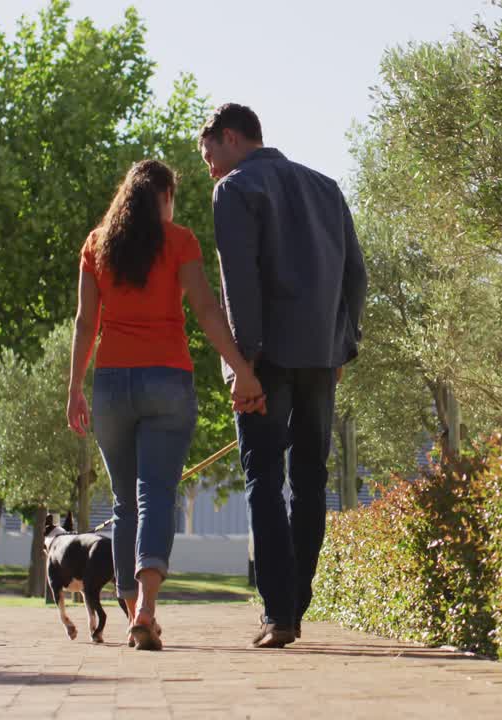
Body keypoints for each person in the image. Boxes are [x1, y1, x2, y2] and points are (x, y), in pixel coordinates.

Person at [66, 158, 266, 651]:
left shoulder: (97, 244)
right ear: (165, 198)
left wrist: (74, 388)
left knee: (124, 500)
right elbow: (205, 309)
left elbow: (84, 323)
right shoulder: (180, 242)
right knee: (156, 493)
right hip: (168, 380)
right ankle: (148, 611)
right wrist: (242, 368)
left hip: (111, 383)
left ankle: (136, 612)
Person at [199, 103, 367, 648]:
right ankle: (295, 601)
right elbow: (356, 276)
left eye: (208, 156)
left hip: (264, 362)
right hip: (322, 357)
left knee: (264, 480)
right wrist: (344, 346)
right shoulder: (327, 187)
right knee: (311, 480)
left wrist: (240, 368)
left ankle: (279, 613)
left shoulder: (235, 189)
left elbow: (238, 284)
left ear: (230, 138)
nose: (209, 168)